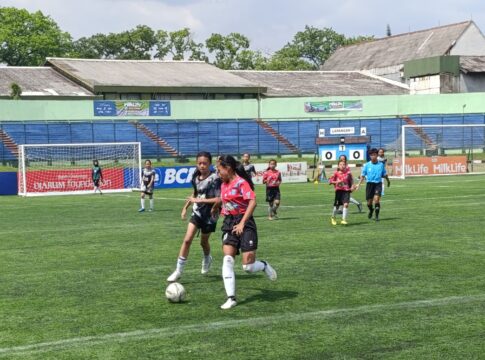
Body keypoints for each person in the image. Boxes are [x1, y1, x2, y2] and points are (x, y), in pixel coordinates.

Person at [216, 155, 277, 310]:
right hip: (229, 223)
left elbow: (253, 201)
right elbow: (226, 202)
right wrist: (216, 209)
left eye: (219, 169)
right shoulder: (223, 184)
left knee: (247, 267)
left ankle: (263, 265)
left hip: (245, 222)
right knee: (227, 259)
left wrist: (242, 222)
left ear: (228, 168)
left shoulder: (241, 183)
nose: (218, 172)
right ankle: (231, 298)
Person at [167, 152, 221, 282]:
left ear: (209, 164)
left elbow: (219, 199)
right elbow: (196, 193)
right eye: (199, 163)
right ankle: (178, 271)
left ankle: (207, 258)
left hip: (210, 215)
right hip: (197, 212)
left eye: (205, 163)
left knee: (204, 242)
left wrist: (199, 201)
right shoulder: (195, 176)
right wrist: (185, 207)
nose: (202, 166)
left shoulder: (215, 178)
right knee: (187, 240)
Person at [355, 148, 391, 221]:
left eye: (374, 155)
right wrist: (358, 184)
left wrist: (388, 180)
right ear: (370, 156)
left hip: (378, 184)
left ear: (377, 155)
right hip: (369, 185)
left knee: (377, 199)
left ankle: (376, 216)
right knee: (369, 203)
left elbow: (384, 174)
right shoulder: (367, 165)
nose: (373, 157)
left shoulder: (381, 165)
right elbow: (363, 176)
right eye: (371, 155)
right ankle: (371, 210)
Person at [328, 159, 353, 225]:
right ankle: (333, 217)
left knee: (346, 204)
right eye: (340, 164)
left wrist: (352, 186)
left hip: (346, 191)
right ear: (338, 166)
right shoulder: (336, 173)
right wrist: (337, 182)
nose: (342, 166)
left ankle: (343, 219)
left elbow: (351, 180)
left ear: (346, 165)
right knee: (337, 206)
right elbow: (330, 181)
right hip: (339, 191)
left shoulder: (348, 173)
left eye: (344, 164)